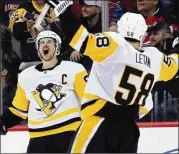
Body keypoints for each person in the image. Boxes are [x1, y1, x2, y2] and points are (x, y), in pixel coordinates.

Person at [47, 1, 179, 152]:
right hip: (129, 130)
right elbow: (175, 66)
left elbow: (82, 40)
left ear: (120, 30)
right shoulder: (155, 58)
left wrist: (64, 12)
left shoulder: (115, 44)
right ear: (143, 34)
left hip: (100, 123)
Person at [0, 30, 88, 153]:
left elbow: (89, 101)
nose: (45, 44)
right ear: (38, 48)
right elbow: (19, 110)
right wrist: (3, 121)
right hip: (38, 138)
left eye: (49, 41)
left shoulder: (74, 69)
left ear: (57, 47)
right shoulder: (26, 76)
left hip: (68, 133)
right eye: (41, 42)